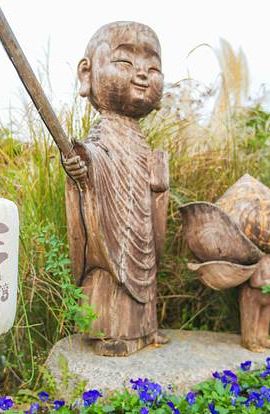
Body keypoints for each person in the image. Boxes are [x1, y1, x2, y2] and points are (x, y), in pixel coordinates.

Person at [62, 22, 169, 356]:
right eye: (124, 62)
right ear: (87, 73)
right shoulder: (103, 134)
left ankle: (146, 328)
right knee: (112, 273)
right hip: (110, 235)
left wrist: (159, 183)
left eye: (153, 68)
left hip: (141, 224)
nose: (142, 74)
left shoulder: (141, 140)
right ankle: (110, 331)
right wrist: (83, 165)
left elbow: (155, 194)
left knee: (146, 263)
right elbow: (92, 159)